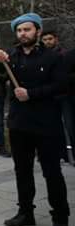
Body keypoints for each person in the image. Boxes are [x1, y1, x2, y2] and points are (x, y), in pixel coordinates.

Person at [0, 13, 70, 226]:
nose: (23, 34)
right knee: (22, 171)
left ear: (38, 31)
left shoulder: (53, 57)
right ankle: (25, 212)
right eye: (19, 30)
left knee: (52, 173)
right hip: (19, 124)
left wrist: (31, 94)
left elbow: (62, 86)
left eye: (27, 29)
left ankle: (60, 219)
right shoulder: (11, 56)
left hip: (46, 124)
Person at [42, 31, 75, 162]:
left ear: (56, 39)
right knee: (53, 127)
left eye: (50, 39)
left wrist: (63, 79)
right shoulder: (42, 57)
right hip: (50, 97)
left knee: (70, 125)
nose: (47, 42)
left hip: (66, 96)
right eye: (44, 39)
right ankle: (61, 154)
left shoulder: (66, 55)